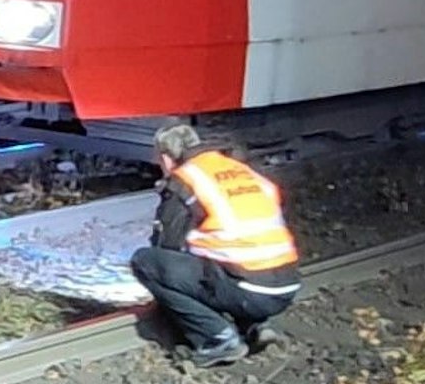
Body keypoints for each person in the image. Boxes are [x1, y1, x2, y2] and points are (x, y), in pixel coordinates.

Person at [129, 124, 300, 368]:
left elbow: (167, 246)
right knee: (224, 262)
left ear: (166, 159)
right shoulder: (240, 170)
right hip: (285, 282)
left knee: (146, 262)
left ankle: (217, 338)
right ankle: (254, 325)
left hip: (249, 290)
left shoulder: (184, 180)